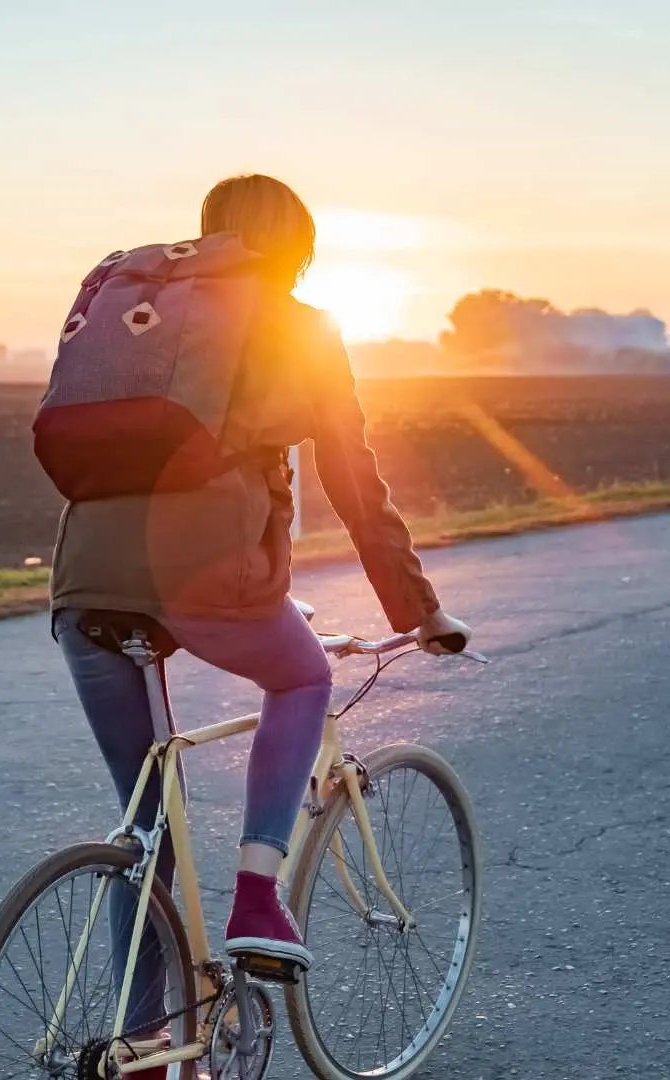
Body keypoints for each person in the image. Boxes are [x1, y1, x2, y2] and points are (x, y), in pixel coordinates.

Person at [46, 173, 471, 1051]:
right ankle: (257, 895)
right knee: (303, 672)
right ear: (298, 250)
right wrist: (418, 610)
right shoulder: (300, 328)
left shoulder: (149, 317)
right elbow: (356, 484)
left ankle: (141, 1055)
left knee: (145, 829)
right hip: (209, 577)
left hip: (84, 584)